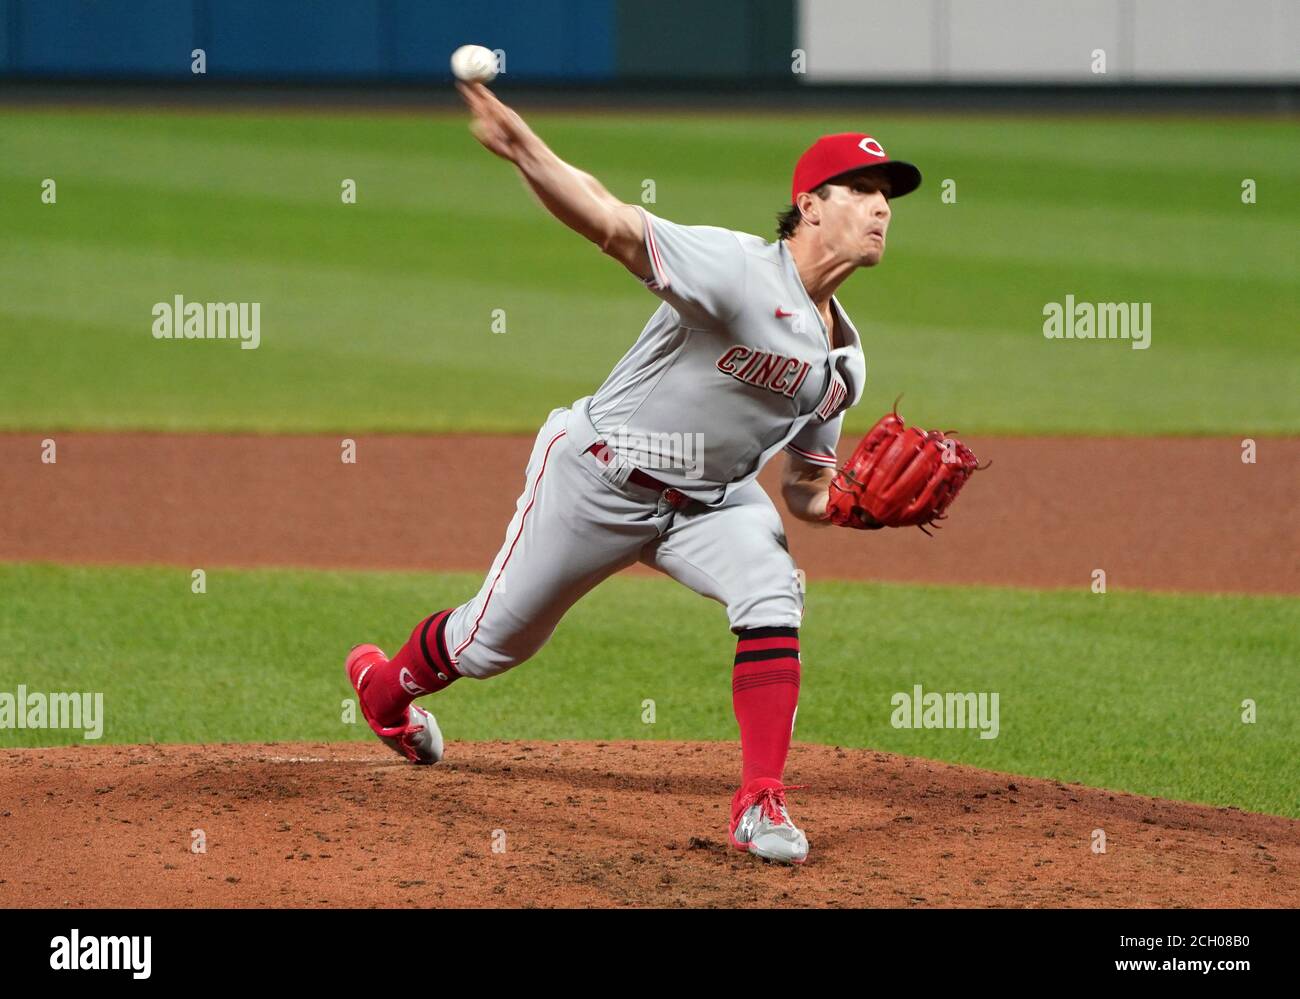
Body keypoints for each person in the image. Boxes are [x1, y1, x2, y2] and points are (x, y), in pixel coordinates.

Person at [346, 82, 921, 864]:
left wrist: (854, 508)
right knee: (489, 645)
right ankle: (384, 692)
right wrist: (523, 147)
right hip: (598, 479)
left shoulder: (845, 363)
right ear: (809, 205)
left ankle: (759, 802)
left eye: (887, 194)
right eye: (862, 189)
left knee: (772, 589)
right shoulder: (736, 269)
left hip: (714, 503)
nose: (881, 206)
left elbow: (805, 489)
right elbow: (611, 221)